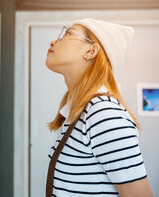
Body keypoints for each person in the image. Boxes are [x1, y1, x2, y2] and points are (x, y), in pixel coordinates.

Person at [45, 18, 153, 196]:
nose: (53, 41)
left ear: (91, 50)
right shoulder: (79, 111)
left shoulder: (103, 113)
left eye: (69, 33)